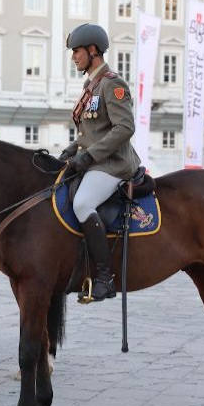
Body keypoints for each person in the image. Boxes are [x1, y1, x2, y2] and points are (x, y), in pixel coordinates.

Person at [60, 23, 141, 302]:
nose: (74, 57)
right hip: (94, 162)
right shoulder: (90, 86)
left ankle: (105, 278)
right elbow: (90, 134)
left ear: (93, 50)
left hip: (113, 164)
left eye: (77, 51)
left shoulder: (112, 83)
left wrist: (89, 156)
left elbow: (124, 128)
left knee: (83, 203)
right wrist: (69, 152)